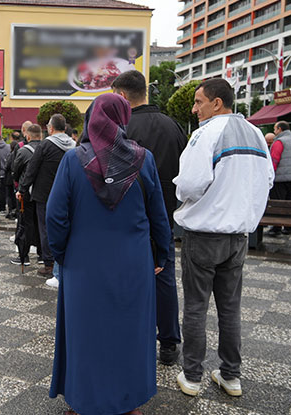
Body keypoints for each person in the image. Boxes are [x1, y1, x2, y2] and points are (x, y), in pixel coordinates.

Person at [47, 93, 171, 415]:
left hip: (83, 264)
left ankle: (81, 399)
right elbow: (159, 214)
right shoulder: (144, 159)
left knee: (85, 333)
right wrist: (161, 257)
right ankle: (128, 402)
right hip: (133, 263)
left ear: (92, 118)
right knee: (129, 333)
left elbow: (55, 216)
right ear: (123, 119)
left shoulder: (74, 161)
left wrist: (63, 255)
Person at [173, 78, 274, 398]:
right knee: (230, 309)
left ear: (217, 103)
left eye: (198, 101)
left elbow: (188, 183)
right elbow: (267, 179)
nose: (194, 108)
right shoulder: (257, 133)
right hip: (239, 236)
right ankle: (231, 376)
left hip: (204, 234)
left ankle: (192, 376)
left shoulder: (206, 133)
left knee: (195, 307)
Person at [112, 69, 187, 366]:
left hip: (125, 217)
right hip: (165, 215)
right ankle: (169, 342)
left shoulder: (121, 128)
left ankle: (128, 338)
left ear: (120, 95)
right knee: (164, 278)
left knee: (123, 279)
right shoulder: (174, 126)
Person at [18, 114, 76, 276]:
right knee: (67, 226)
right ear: (64, 128)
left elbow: (32, 169)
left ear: (50, 128)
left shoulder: (46, 145)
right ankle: (65, 260)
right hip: (68, 193)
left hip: (45, 193)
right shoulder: (74, 145)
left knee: (46, 228)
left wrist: (22, 189)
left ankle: (49, 263)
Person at [12, 123, 44, 266]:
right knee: (41, 223)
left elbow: (15, 170)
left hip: (25, 192)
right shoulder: (47, 149)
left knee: (25, 223)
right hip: (43, 192)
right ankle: (42, 255)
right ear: (41, 135)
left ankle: (23, 256)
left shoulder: (23, 151)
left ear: (28, 136)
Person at [267, 120, 291, 236]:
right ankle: (288, 227)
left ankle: (276, 228)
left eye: (275, 129)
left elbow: (274, 160)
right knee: (288, 202)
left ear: (280, 129)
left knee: (277, 203)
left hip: (279, 177)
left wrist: (269, 175)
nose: (274, 131)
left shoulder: (279, 142)